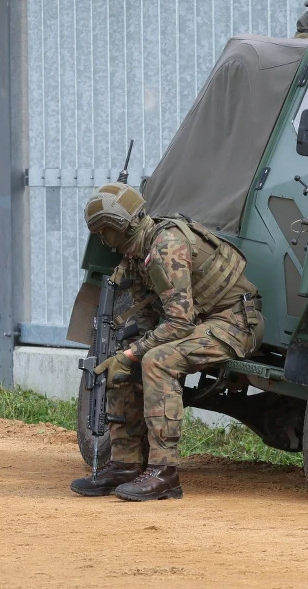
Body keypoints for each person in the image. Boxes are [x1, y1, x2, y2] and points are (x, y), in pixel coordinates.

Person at [70, 183, 264, 501]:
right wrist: (127, 354)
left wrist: (136, 352)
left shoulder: (165, 247)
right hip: (201, 322)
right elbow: (150, 318)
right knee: (122, 362)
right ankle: (126, 464)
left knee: (157, 361)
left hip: (236, 322)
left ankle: (164, 473)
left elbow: (178, 322)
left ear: (119, 226)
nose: (103, 240)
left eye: (104, 231)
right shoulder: (136, 256)